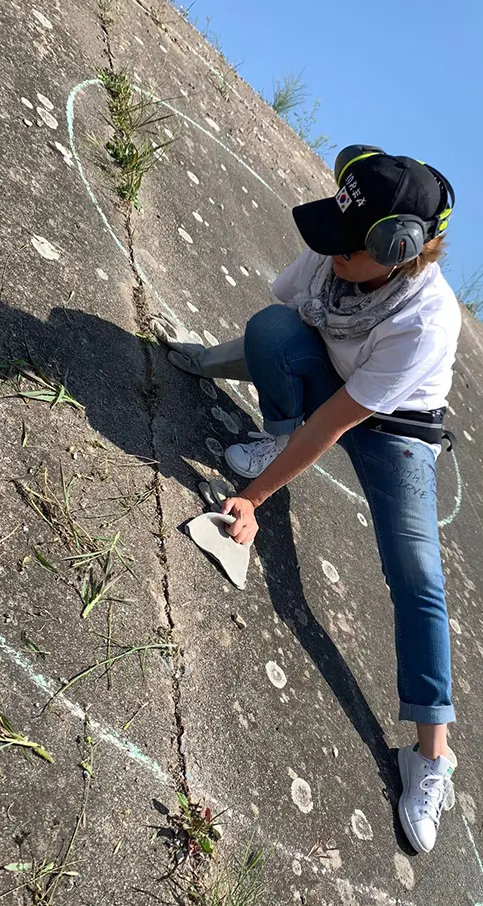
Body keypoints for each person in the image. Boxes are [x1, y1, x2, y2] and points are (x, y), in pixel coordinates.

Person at [162, 145, 461, 853]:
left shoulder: (425, 320)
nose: (328, 251)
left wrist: (257, 498)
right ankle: (275, 438)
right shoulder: (338, 260)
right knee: (274, 330)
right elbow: (278, 330)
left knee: (417, 575)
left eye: (345, 244)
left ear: (396, 250)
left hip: (399, 433)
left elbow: (340, 425)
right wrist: (202, 360)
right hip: (336, 384)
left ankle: (431, 755)